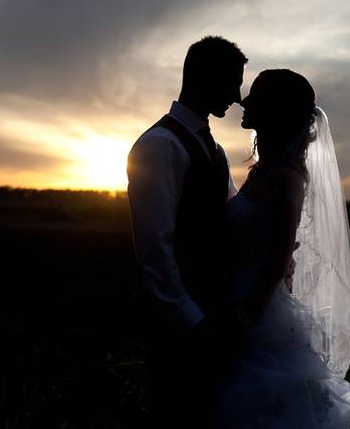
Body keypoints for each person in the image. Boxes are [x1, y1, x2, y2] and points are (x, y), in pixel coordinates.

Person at [213, 69, 350, 427]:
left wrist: (241, 320)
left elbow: (276, 264)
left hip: (257, 317)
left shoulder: (286, 179)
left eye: (255, 96)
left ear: (275, 110)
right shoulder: (262, 171)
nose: (244, 102)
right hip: (238, 300)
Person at [127, 36, 248, 425]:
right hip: (181, 326)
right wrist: (192, 322)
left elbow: (229, 219)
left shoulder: (215, 148)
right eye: (232, 82)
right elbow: (154, 249)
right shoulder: (159, 146)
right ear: (203, 77)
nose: (237, 96)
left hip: (213, 313)